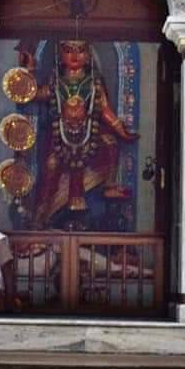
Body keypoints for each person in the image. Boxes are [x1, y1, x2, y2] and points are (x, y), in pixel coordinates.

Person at [29, 39, 138, 229]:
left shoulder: (93, 83)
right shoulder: (56, 81)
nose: (74, 56)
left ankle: (109, 185)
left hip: (88, 134)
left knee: (110, 142)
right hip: (60, 135)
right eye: (68, 50)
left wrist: (121, 130)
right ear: (60, 55)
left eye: (80, 50)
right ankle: (42, 214)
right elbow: (36, 94)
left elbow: (104, 110)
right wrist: (29, 71)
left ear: (88, 55)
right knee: (51, 165)